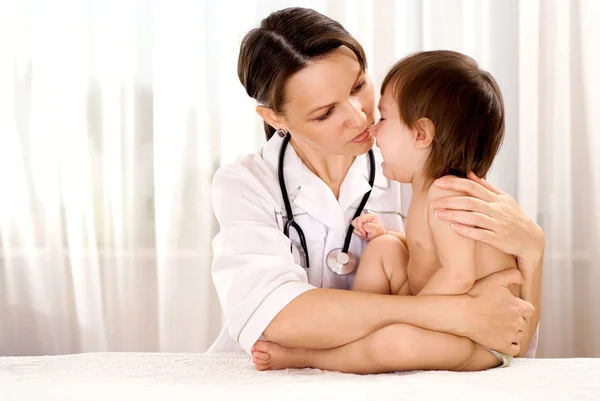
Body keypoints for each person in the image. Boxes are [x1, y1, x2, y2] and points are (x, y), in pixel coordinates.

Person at [208, 7, 544, 373]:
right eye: (325, 113)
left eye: (358, 87)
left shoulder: (419, 165)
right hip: (265, 377)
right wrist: (455, 313)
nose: (359, 117)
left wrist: (533, 251)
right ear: (276, 119)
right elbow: (277, 319)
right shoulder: (245, 183)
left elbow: (512, 333)